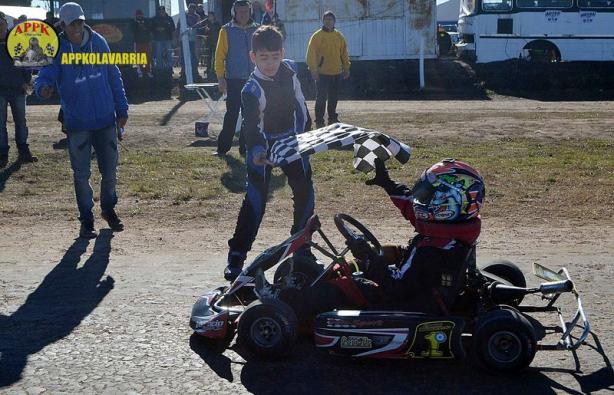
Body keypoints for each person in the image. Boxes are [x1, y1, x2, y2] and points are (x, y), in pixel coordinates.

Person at [301, 159, 486, 316]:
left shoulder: (434, 250)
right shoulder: (452, 230)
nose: (419, 199)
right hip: (419, 286)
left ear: (447, 203)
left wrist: (369, 258)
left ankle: (289, 306)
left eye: (427, 195)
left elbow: (395, 287)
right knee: (385, 253)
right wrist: (387, 183)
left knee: (340, 287)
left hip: (407, 305)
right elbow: (410, 205)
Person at [224, 25, 313, 281]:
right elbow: (252, 125)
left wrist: (301, 139)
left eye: (275, 56)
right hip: (261, 144)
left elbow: (301, 107)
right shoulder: (250, 89)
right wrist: (259, 150)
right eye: (264, 58)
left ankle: (302, 247)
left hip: (291, 140)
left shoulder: (290, 72)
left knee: (305, 191)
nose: (270, 63)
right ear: (253, 57)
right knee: (255, 199)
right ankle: (237, 255)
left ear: (282, 53)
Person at [34, 2, 129, 239]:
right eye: (71, 23)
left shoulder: (99, 42)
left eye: (79, 21)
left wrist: (122, 107)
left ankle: (109, 210)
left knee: (110, 171)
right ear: (63, 26)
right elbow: (45, 75)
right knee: (81, 174)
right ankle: (86, 219)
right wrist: (42, 88)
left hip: (106, 118)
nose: (77, 26)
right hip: (77, 121)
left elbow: (113, 75)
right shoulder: (56, 49)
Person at [213, 0, 259, 157]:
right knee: (231, 114)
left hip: (253, 80)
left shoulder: (258, 29)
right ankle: (222, 148)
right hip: (233, 79)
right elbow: (219, 57)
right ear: (234, 13)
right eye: (240, 12)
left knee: (251, 116)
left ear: (250, 11)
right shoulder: (225, 30)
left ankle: (245, 149)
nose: (243, 15)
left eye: (246, 11)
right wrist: (221, 77)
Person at [0, 13, 37, 167]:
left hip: (18, 89)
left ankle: (23, 150)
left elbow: (26, 62)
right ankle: (2, 153)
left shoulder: (16, 40)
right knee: (0, 124)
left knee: (21, 121)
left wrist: (27, 81)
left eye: (1, 23)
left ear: (5, 23)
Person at [306, 11, 350, 128]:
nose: (328, 21)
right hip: (322, 73)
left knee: (333, 97)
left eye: (330, 19)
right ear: (323, 21)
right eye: (326, 19)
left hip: (336, 72)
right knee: (321, 98)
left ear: (334, 21)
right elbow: (311, 54)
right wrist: (313, 70)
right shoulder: (317, 36)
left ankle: (332, 119)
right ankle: (319, 121)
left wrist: (346, 67)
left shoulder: (339, 36)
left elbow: (344, 53)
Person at [177, 3, 202, 81]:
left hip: (193, 40)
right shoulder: (183, 16)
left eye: (193, 8)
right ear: (188, 8)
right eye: (190, 8)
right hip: (183, 39)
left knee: (194, 56)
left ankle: (195, 71)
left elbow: (199, 27)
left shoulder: (197, 17)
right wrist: (178, 37)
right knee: (183, 56)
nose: (191, 9)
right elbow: (178, 27)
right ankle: (183, 71)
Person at [150, 5, 175, 70]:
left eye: (162, 10)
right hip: (158, 40)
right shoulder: (154, 19)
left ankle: (169, 68)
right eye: (160, 11)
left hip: (168, 39)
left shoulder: (169, 18)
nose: (161, 12)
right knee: (158, 54)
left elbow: (173, 29)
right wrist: (157, 29)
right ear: (158, 11)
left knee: (169, 54)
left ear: (164, 11)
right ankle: (159, 68)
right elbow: (151, 29)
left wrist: (173, 39)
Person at [131, 9, 153, 78]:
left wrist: (143, 26)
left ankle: (148, 71)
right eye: (138, 15)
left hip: (146, 42)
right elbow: (133, 31)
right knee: (139, 57)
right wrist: (138, 25)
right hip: (138, 43)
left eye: (140, 14)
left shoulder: (147, 21)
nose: (139, 16)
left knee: (148, 57)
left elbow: (149, 29)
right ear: (136, 15)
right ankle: (140, 71)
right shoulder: (133, 22)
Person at [203, 13, 221, 81]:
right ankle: (208, 70)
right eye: (209, 16)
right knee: (209, 57)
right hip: (209, 43)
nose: (210, 17)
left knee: (215, 57)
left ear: (214, 16)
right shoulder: (207, 25)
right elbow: (204, 33)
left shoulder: (217, 24)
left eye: (211, 16)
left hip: (216, 42)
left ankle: (214, 70)